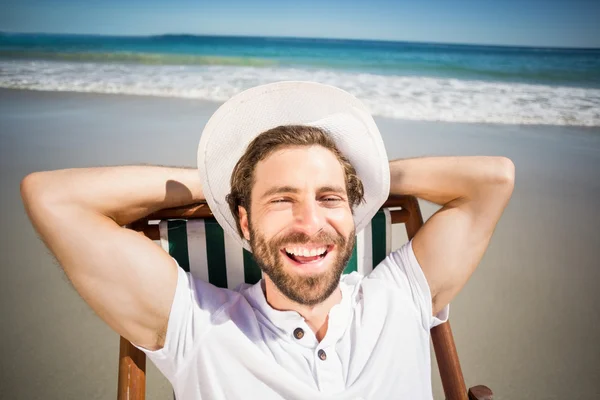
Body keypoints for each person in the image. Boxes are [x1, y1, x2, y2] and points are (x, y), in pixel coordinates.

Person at [20, 81, 515, 399]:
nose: (309, 222)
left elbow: (494, 178)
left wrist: (374, 178)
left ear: (353, 213)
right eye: (280, 200)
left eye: (329, 198)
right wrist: (211, 186)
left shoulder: (401, 295)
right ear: (243, 222)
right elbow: (53, 198)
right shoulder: (201, 328)